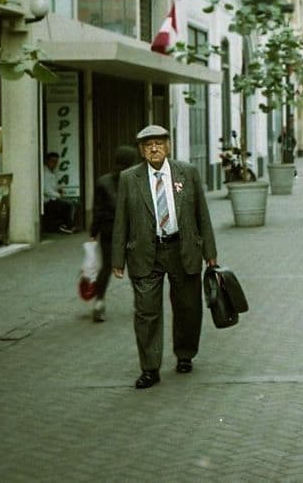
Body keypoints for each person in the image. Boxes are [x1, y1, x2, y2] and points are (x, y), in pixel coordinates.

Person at [111, 125, 218, 390]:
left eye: (159, 143)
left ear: (168, 146)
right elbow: (120, 220)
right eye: (148, 145)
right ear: (141, 150)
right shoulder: (129, 178)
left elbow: (201, 215)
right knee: (146, 312)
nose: (154, 149)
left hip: (183, 250)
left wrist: (210, 253)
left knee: (187, 308)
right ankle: (149, 368)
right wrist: (117, 260)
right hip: (146, 253)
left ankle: (185, 354)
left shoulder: (187, 173)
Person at [89, 145, 138, 323]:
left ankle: (99, 303)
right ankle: (140, 303)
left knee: (107, 268)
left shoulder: (103, 181)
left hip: (109, 230)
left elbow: (98, 211)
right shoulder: (135, 180)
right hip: (131, 230)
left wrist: (94, 232)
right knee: (135, 267)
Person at [41, 152, 76, 234]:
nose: (54, 164)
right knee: (68, 205)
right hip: (46, 200)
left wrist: (59, 189)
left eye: (56, 162)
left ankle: (67, 225)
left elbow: (53, 186)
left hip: (52, 198)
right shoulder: (44, 172)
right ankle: (67, 226)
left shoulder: (51, 172)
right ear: (47, 161)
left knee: (71, 203)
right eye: (52, 161)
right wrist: (58, 195)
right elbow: (45, 189)